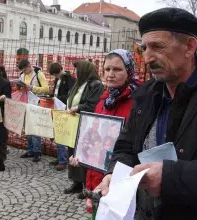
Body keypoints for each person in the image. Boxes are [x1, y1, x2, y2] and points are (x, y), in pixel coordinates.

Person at [96, 8, 197, 219]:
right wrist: (114, 174)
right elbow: (126, 146)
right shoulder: (145, 93)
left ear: (189, 47)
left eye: (157, 47)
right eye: (144, 48)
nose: (147, 57)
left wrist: (171, 178)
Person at [69, 50, 139, 214]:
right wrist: (83, 156)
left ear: (129, 71)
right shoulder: (102, 101)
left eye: (117, 69)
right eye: (107, 69)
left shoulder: (139, 102)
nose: (110, 75)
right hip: (96, 177)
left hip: (120, 178)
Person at [65, 60, 104, 199]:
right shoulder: (79, 84)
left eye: (77, 70)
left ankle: (85, 185)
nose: (75, 73)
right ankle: (76, 182)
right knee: (72, 152)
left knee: (83, 153)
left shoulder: (96, 85)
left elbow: (93, 104)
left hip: (85, 124)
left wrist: (78, 108)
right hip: (74, 123)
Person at [17, 59, 49, 162]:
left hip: (36, 104)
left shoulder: (39, 74)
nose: (24, 72)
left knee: (35, 129)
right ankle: (30, 150)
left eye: (25, 70)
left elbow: (46, 89)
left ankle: (37, 152)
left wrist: (32, 88)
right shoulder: (22, 75)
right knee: (28, 128)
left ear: (29, 66)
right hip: (26, 103)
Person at [49, 62, 76, 171]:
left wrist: (58, 98)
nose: (55, 77)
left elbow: (70, 94)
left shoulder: (70, 79)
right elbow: (56, 92)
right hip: (57, 108)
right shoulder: (58, 79)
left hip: (64, 109)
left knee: (61, 134)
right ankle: (60, 156)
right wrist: (52, 96)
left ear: (60, 70)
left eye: (56, 74)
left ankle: (63, 160)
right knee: (57, 134)